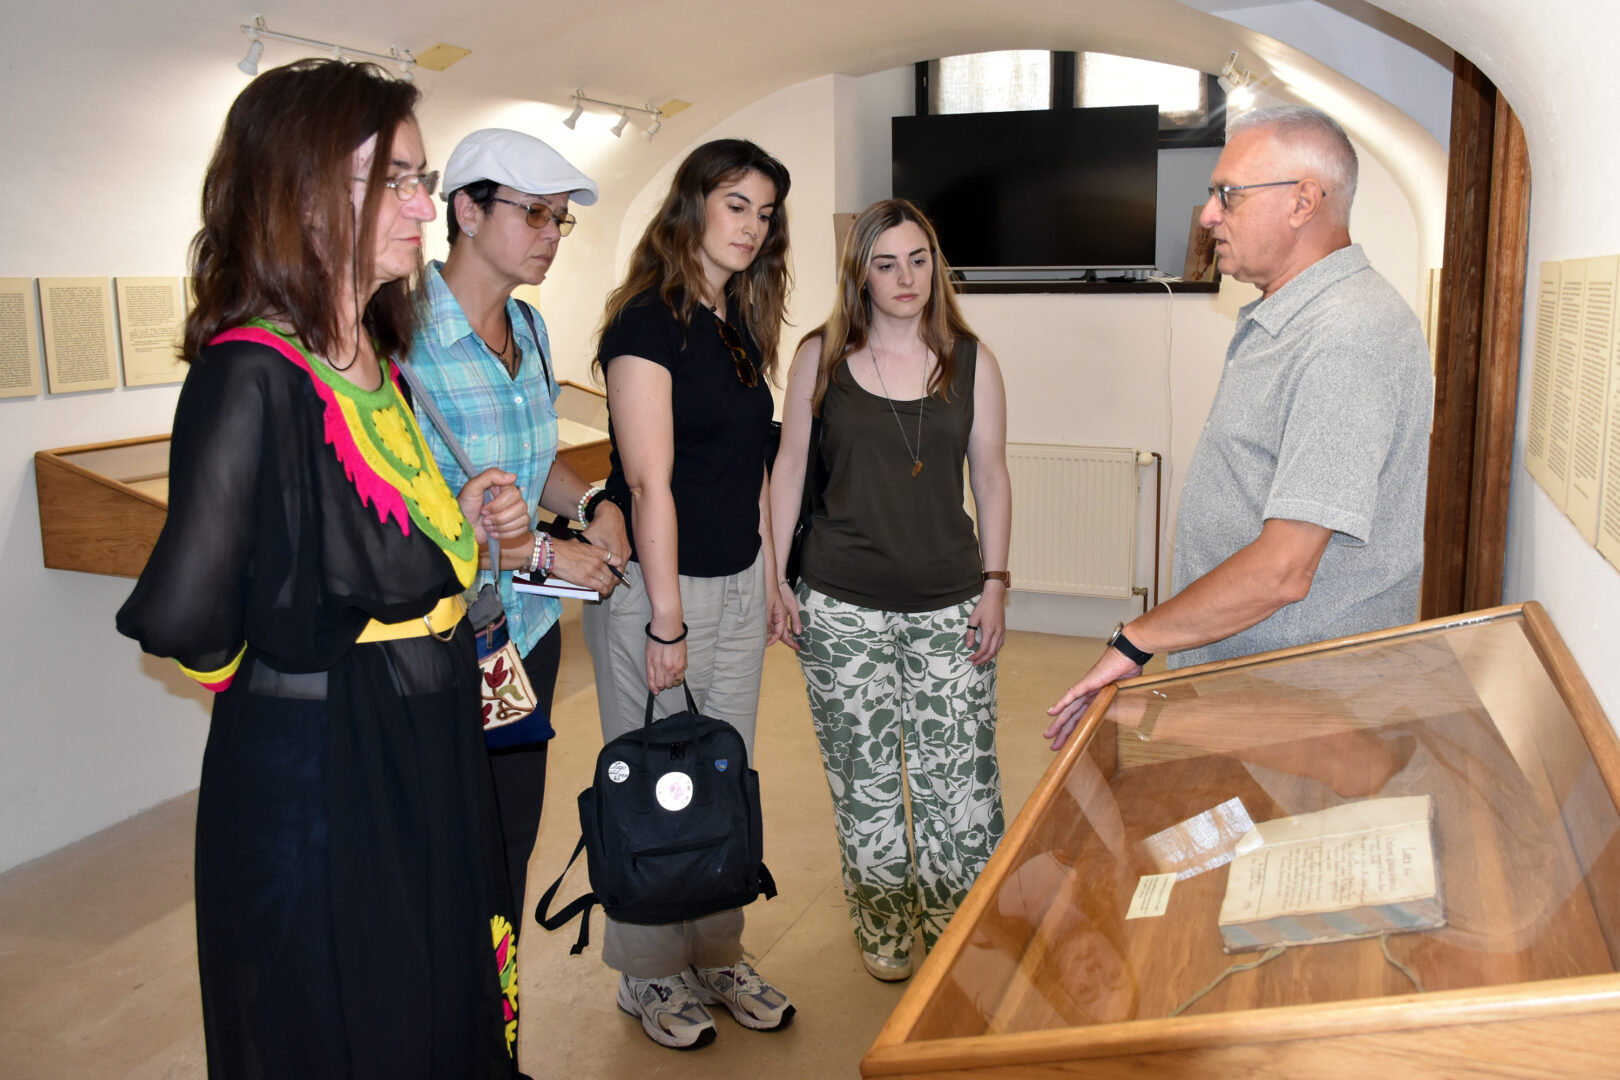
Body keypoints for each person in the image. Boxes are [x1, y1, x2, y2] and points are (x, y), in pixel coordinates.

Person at [115, 60, 524, 1077]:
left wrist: (458, 520)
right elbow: (189, 612)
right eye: (393, 181)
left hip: (427, 737)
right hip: (330, 762)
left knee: (439, 988)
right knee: (353, 1006)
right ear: (299, 195)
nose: (423, 206)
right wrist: (303, 671)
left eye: (422, 179)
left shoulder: (376, 357)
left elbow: (370, 534)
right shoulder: (251, 371)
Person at [1046, 104, 1433, 750]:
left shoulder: (1347, 336)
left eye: (1228, 194)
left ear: (1303, 201)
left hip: (1303, 711)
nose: (1207, 215)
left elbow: (1284, 569)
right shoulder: (1294, 315)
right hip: (1254, 686)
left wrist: (1134, 641)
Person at [582, 138, 796, 1049]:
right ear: (692, 204)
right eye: (736, 204)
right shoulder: (645, 324)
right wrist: (665, 622)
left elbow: (749, 470)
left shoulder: (735, 322)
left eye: (765, 212)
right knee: (656, 790)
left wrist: (770, 581)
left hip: (737, 583)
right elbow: (649, 482)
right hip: (659, 595)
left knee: (720, 783)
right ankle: (648, 973)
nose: (752, 226)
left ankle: (717, 954)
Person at [768, 198, 1012, 982]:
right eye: (885, 263)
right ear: (860, 275)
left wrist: (997, 583)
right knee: (864, 783)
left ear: (935, 266)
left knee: (958, 782)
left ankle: (957, 925)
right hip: (840, 603)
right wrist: (775, 577)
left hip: (952, 601)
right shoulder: (820, 357)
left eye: (918, 260)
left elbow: (991, 476)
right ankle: (883, 925)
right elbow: (789, 469)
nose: (905, 278)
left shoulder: (972, 361)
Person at [407, 128, 628, 931]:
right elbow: (404, 523)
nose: (551, 234)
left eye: (558, 218)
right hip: (439, 641)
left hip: (523, 632)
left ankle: (495, 1008)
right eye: (533, 213)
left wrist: (594, 502)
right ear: (466, 211)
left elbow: (534, 460)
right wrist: (543, 550)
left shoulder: (528, 329)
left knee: (508, 843)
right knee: (443, 853)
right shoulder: (398, 342)